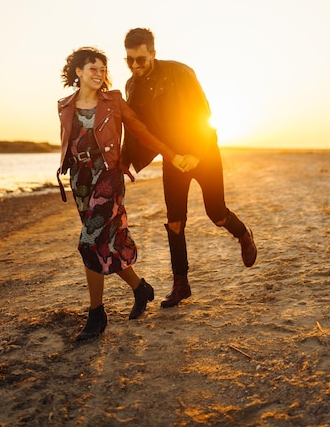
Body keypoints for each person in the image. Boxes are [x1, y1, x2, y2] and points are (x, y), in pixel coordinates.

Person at [121, 28, 257, 308]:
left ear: (153, 54)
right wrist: (124, 162)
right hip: (172, 159)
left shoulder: (181, 72)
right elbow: (136, 129)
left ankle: (243, 234)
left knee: (216, 214)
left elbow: (203, 113)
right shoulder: (131, 86)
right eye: (130, 60)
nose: (135, 66)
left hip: (203, 152)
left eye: (141, 59)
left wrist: (196, 152)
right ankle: (180, 284)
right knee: (174, 222)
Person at [57, 46, 186, 341]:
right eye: (93, 68)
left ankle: (96, 315)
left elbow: (141, 130)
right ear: (78, 71)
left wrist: (172, 154)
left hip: (108, 176)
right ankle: (141, 289)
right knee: (107, 242)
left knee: (90, 241)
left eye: (103, 69)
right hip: (80, 179)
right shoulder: (64, 105)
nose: (99, 73)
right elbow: (70, 142)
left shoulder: (113, 100)